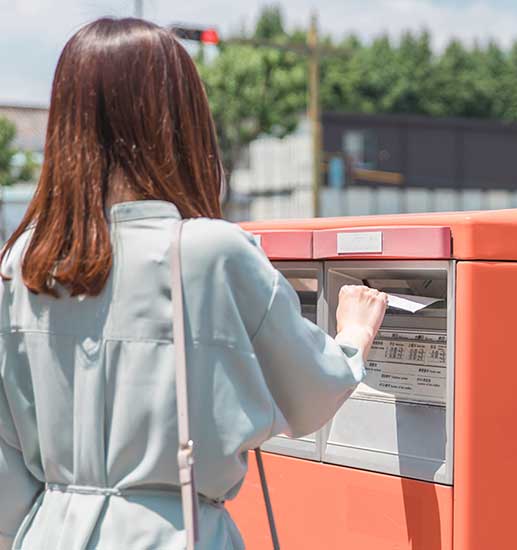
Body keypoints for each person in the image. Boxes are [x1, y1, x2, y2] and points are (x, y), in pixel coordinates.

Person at [0, 17, 387, 550]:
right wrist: (354, 336)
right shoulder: (211, 252)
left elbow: (7, 465)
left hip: (49, 532)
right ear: (178, 119)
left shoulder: (24, 262)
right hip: (172, 532)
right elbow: (310, 394)